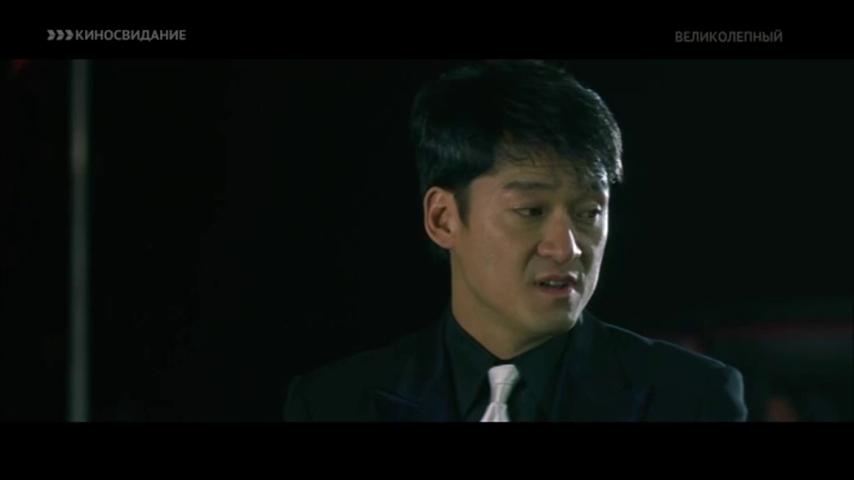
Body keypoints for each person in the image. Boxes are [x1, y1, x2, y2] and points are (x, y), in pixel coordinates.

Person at [284, 60, 747, 421]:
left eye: (589, 213)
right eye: (531, 211)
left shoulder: (690, 400)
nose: (566, 249)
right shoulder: (335, 404)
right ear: (443, 219)